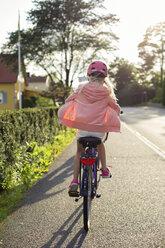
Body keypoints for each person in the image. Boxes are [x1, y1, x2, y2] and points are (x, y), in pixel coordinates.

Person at [58, 61, 121, 193]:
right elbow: (115, 107)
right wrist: (117, 112)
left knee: (79, 153)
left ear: (88, 76)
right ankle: (103, 169)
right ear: (104, 78)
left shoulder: (81, 88)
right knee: (100, 145)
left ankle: (75, 180)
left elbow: (69, 100)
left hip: (82, 130)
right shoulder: (106, 92)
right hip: (98, 132)